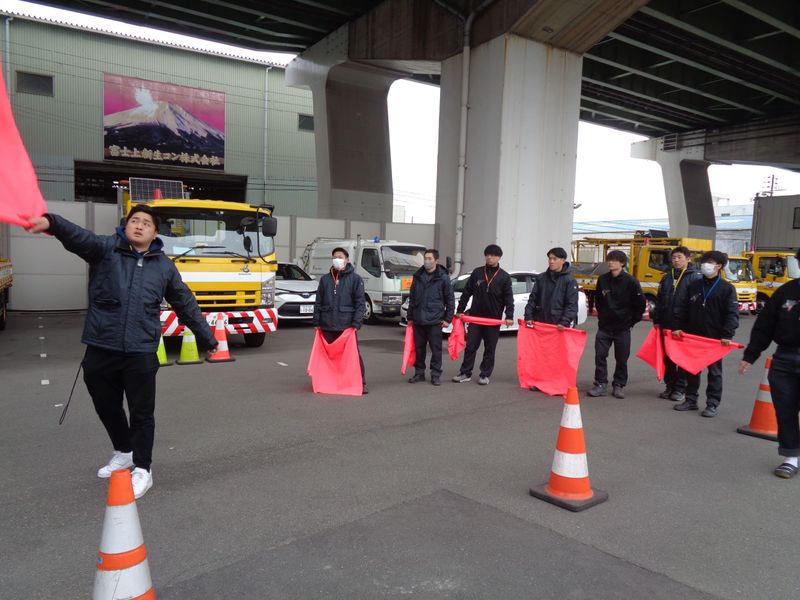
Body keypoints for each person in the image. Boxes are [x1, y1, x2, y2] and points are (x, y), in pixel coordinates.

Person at [26, 206, 217, 499]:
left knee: (142, 412)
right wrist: (51, 222)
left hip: (141, 350)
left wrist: (207, 337)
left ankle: (143, 469)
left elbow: (184, 302)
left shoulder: (164, 266)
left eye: (146, 223)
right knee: (106, 405)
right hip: (102, 345)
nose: (139, 226)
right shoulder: (105, 249)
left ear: (155, 233)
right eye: (134, 221)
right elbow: (78, 236)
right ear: (125, 226)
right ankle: (124, 451)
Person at [739, 248, 800, 477]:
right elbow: (765, 325)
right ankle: (791, 456)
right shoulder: (786, 292)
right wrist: (751, 355)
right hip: (785, 358)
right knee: (785, 410)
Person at [672, 250, 739, 417]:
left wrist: (727, 335)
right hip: (693, 336)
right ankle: (690, 400)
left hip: (714, 339)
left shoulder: (726, 288)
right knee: (691, 369)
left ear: (719, 266)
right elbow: (683, 308)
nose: (705, 265)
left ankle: (712, 404)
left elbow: (732, 314)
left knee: (714, 372)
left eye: (710, 262)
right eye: (704, 262)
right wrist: (678, 326)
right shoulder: (694, 285)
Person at [452, 244, 514, 386]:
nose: (489, 257)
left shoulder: (504, 277)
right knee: (470, 347)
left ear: (499, 257)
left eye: (493, 255)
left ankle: (485, 375)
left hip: (493, 320)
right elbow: (467, 292)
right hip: (475, 318)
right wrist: (460, 310)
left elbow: (508, 299)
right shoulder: (477, 273)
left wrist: (509, 316)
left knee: (489, 349)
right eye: (487, 255)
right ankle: (465, 373)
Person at [588, 250, 646, 399]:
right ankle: (600, 383)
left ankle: (619, 385)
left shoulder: (631, 281)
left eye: (614, 260)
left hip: (623, 328)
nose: (610, 262)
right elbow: (598, 301)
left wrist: (631, 321)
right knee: (600, 356)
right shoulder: (603, 279)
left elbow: (640, 304)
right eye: (609, 259)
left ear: (622, 263)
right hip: (605, 327)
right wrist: (602, 317)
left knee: (622, 358)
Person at [312, 246, 368, 394]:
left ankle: (361, 383)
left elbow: (360, 304)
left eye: (340, 257)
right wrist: (316, 321)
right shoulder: (325, 279)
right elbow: (318, 302)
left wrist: (356, 324)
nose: (337, 260)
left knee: (352, 356)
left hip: (346, 326)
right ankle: (330, 382)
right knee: (328, 357)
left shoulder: (355, 279)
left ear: (347, 259)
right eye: (335, 257)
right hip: (327, 324)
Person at [651, 246, 702, 401]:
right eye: (674, 258)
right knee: (668, 358)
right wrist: (657, 319)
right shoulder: (667, 277)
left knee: (682, 358)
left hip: (684, 326)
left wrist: (691, 324)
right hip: (666, 324)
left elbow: (696, 305)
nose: (676, 260)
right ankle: (670, 386)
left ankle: (680, 389)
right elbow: (659, 300)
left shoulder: (695, 278)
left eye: (679, 257)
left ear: (688, 259)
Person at [406, 249, 455, 386]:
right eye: (425, 258)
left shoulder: (443, 277)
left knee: (436, 350)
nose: (427, 261)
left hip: (435, 321)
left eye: (430, 258)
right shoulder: (418, 276)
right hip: (418, 320)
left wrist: (448, 319)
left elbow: (450, 299)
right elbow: (412, 298)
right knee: (419, 349)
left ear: (436, 260)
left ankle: (435, 374)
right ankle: (419, 373)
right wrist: (410, 317)